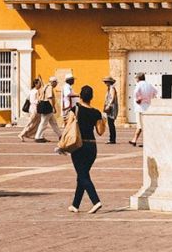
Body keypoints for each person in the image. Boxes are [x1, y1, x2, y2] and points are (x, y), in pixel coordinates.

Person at [66, 85, 104, 214]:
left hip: (79, 146)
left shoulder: (75, 109)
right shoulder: (96, 112)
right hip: (92, 147)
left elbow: (68, 127)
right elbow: (100, 132)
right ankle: (75, 204)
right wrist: (101, 120)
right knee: (82, 175)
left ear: (80, 96)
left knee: (83, 175)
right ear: (91, 97)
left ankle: (96, 201)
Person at [130, 73, 157, 147]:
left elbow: (136, 92)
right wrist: (150, 98)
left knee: (140, 125)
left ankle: (144, 141)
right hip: (148, 107)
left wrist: (139, 99)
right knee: (144, 125)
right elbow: (155, 92)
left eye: (136, 78)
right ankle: (134, 140)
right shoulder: (149, 85)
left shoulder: (139, 85)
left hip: (140, 107)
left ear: (138, 78)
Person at [35, 77, 62, 142]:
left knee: (53, 122)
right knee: (44, 122)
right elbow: (49, 98)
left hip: (44, 104)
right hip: (47, 105)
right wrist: (53, 107)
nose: (56, 84)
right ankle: (38, 137)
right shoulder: (49, 87)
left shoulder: (45, 87)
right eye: (56, 83)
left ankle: (60, 135)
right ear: (53, 82)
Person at [18, 77, 44, 142]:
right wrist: (39, 100)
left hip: (35, 109)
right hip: (34, 108)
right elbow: (33, 101)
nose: (40, 85)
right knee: (31, 123)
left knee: (38, 123)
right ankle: (21, 134)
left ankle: (35, 135)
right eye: (39, 83)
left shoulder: (34, 91)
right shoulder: (34, 91)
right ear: (35, 84)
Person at [102, 77, 119, 144]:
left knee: (111, 123)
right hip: (110, 107)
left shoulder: (112, 88)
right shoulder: (109, 88)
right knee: (110, 123)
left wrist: (108, 105)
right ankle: (112, 138)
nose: (105, 83)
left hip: (112, 108)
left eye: (106, 81)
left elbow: (112, 97)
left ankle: (112, 139)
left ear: (109, 82)